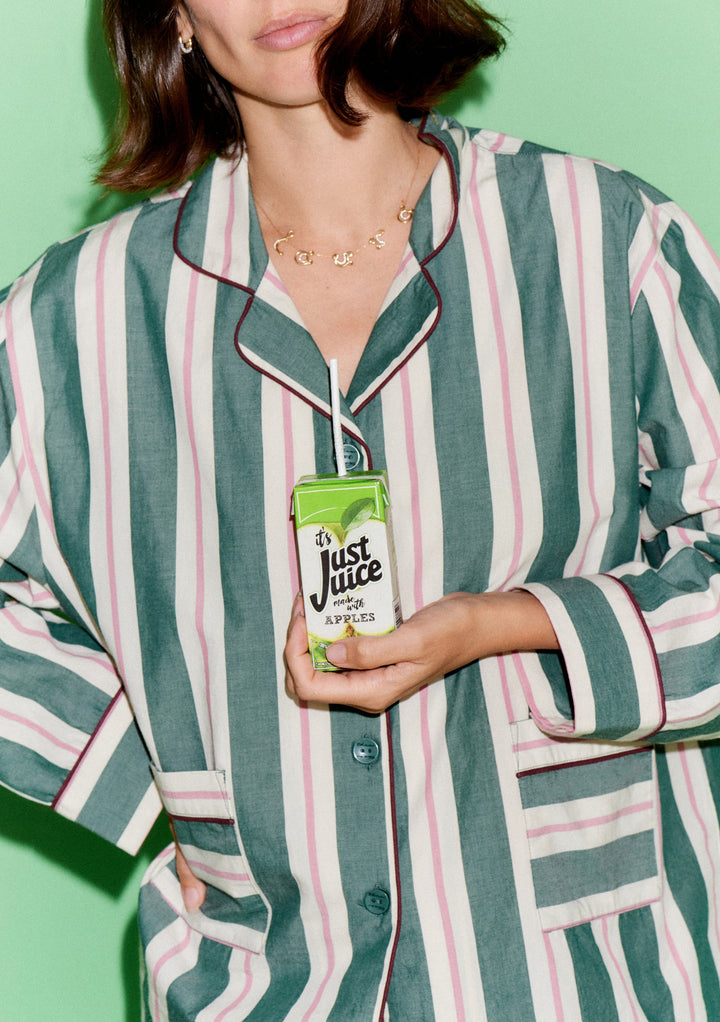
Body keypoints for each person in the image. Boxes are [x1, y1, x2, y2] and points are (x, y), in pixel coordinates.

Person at [2, 0, 720, 1018]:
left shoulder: (604, 240)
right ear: (175, 16)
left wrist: (507, 625)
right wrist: (142, 769)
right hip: (259, 983)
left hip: (582, 977)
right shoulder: (68, 325)